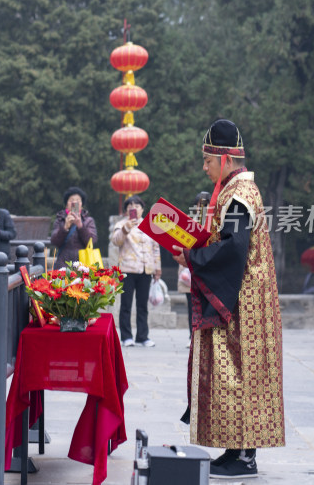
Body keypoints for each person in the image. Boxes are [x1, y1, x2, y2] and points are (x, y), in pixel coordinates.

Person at [171, 119, 284, 479]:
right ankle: (237, 449)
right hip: (246, 296)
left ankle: (245, 456)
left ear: (224, 158)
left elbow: (234, 251)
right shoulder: (239, 189)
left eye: (206, 160)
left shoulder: (237, 195)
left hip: (242, 301)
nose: (204, 168)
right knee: (238, 373)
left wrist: (192, 257)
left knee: (239, 374)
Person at [110, 195, 162, 348]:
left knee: (142, 305)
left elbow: (155, 247)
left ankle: (142, 336)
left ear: (142, 209)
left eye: (137, 205)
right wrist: (127, 228)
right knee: (126, 304)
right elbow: (116, 241)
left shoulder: (150, 225)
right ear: (126, 210)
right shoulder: (121, 224)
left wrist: (157, 267)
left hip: (146, 269)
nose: (134, 208)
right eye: (130, 206)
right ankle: (126, 336)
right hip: (128, 269)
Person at [178, 191, 210, 347]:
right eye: (199, 204)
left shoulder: (214, 223)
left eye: (205, 204)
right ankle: (193, 336)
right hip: (189, 271)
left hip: (207, 270)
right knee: (192, 306)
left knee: (206, 305)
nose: (201, 207)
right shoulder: (189, 222)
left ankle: (205, 336)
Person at [49, 186, 98, 266]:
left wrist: (80, 226)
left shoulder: (88, 220)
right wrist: (65, 228)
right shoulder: (60, 219)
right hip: (63, 263)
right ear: (66, 204)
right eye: (71, 200)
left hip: (83, 264)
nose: (74, 203)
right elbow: (54, 241)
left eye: (78, 200)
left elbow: (91, 241)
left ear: (82, 204)